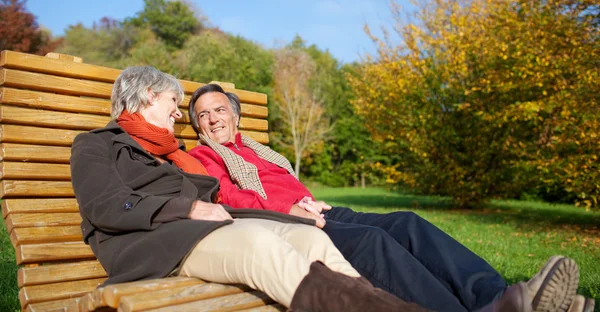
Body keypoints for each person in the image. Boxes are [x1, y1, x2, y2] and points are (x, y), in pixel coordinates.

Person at [188, 83, 587, 312]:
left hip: (321, 210)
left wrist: (308, 203)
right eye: (202, 115)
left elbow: (291, 185)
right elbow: (229, 203)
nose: (213, 119)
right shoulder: (201, 157)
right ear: (198, 126)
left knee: (406, 223)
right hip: (289, 225)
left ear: (236, 116)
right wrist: (291, 211)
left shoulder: (257, 149)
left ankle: (498, 296)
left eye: (219, 109)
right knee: (373, 242)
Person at [70, 66, 441, 312]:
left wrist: (289, 216)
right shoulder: (96, 144)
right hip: (157, 244)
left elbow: (221, 201)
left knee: (311, 240)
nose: (179, 114)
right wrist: (188, 209)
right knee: (258, 244)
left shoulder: (175, 156)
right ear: (150, 95)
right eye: (174, 102)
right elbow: (105, 205)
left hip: (207, 231)